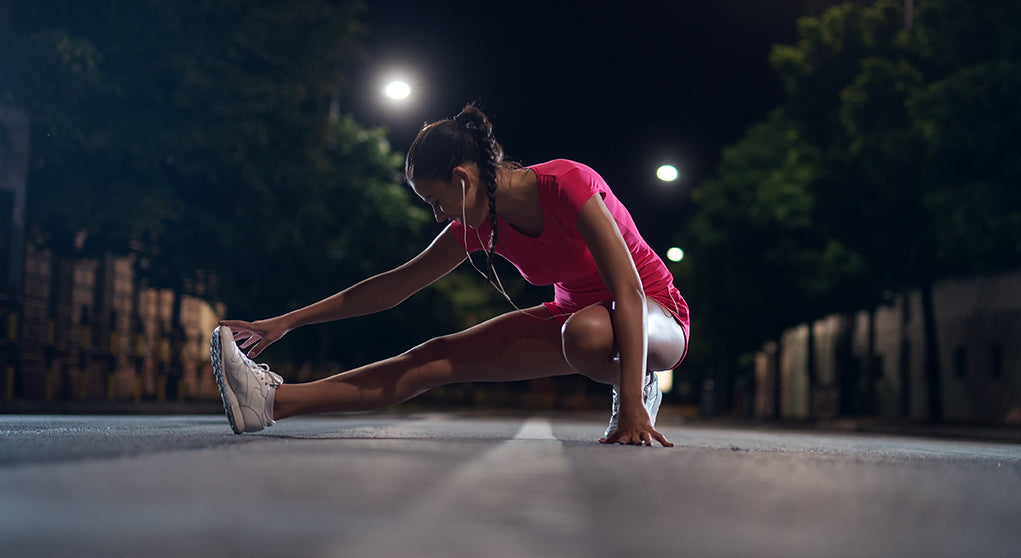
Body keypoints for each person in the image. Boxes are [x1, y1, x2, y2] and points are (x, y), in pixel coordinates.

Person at [212, 104, 690, 446]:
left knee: (586, 332)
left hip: (654, 314)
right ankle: (272, 402)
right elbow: (393, 286)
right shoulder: (477, 224)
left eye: (437, 202)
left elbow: (627, 290)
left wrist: (629, 405)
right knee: (433, 358)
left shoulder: (568, 185)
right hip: (573, 320)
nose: (440, 216)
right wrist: (285, 322)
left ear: (462, 179)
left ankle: (639, 384)